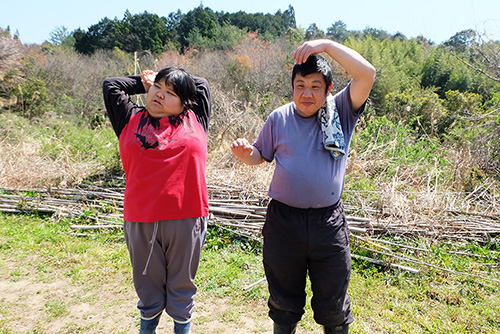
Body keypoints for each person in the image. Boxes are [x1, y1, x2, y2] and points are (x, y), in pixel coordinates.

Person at [230, 39, 375, 334]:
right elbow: (261, 155)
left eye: (315, 86)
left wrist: (326, 45)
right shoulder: (279, 118)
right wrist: (247, 155)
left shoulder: (342, 111)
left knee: (334, 307)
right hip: (284, 223)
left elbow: (366, 74)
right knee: (283, 305)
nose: (306, 93)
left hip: (328, 224)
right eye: (300, 85)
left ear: (328, 89)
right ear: (292, 87)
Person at [103, 67, 212, 334]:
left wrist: (168, 80)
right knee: (147, 285)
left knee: (182, 284)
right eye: (157, 89)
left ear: (185, 101)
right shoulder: (129, 117)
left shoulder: (195, 116)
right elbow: (111, 85)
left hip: (188, 216)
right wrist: (144, 83)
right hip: (141, 217)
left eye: (170, 93)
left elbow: (201, 85)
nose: (159, 95)